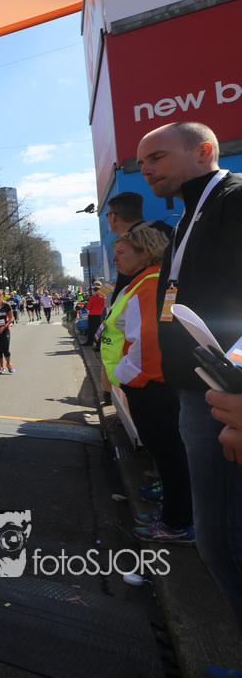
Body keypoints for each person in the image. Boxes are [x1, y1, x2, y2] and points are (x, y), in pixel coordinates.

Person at [139, 121, 242, 628]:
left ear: (204, 151)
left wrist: (239, 376)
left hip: (225, 397)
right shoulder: (186, 218)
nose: (146, 169)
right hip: (195, 391)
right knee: (218, 539)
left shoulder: (233, 200)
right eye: (141, 162)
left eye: (156, 157)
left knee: (227, 540)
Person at [99, 226, 193, 544]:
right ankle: (175, 514)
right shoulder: (148, 281)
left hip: (148, 384)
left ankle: (178, 523)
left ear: (145, 252)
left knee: (169, 453)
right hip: (149, 382)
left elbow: (147, 341)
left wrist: (124, 375)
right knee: (169, 452)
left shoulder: (148, 284)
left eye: (121, 252)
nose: (115, 258)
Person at [105, 191, 175, 305]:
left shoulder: (132, 245)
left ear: (113, 217)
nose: (115, 258)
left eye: (120, 252)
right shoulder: (168, 233)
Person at [85, 282, 106, 350]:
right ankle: (98, 345)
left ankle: (90, 342)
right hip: (101, 315)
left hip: (92, 315)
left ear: (94, 291)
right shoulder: (104, 298)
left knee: (91, 330)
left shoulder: (92, 298)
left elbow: (88, 307)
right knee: (99, 330)